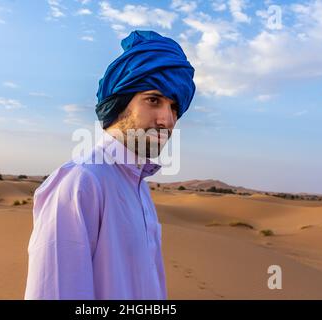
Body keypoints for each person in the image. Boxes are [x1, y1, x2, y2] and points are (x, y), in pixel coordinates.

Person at [24, 30, 196, 299]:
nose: (168, 120)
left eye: (174, 107)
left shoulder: (139, 187)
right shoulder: (80, 182)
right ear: (120, 103)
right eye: (154, 100)